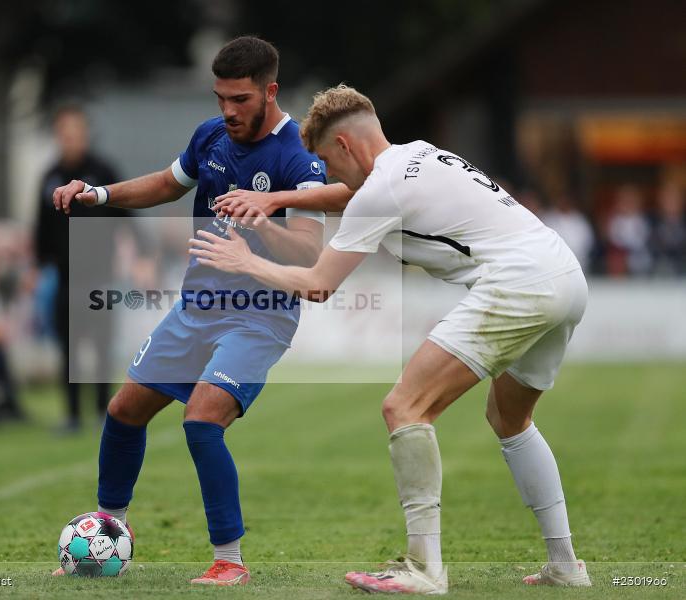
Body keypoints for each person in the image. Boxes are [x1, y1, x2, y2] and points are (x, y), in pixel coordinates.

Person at [194, 84, 591, 594]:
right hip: (563, 274)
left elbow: (318, 283)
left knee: (404, 407)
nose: (328, 175)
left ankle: (425, 569)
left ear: (344, 147)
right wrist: (277, 196)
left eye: (326, 163)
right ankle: (565, 564)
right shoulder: (417, 154)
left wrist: (246, 261)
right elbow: (355, 193)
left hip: (519, 282)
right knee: (509, 418)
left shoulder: (379, 190)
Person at [53, 36, 327, 585]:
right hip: (196, 308)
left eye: (241, 100)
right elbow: (163, 186)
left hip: (260, 316)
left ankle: (231, 561)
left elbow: (311, 253)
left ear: (270, 92)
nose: (228, 111)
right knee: (123, 411)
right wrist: (99, 195)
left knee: (201, 420)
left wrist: (261, 220)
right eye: (221, 97)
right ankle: (107, 532)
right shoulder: (210, 135)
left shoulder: (298, 154)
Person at [35, 104, 133, 433]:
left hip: (100, 275)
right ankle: (73, 415)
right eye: (65, 134)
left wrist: (142, 254)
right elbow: (41, 230)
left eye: (76, 134)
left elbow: (127, 213)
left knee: (102, 345)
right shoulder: (49, 176)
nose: (71, 140)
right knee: (70, 348)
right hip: (64, 277)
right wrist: (38, 267)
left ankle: (105, 411)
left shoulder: (103, 171)